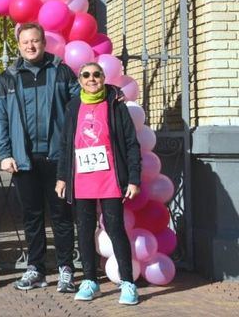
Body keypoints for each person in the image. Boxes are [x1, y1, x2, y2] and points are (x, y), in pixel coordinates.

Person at [0, 22, 79, 292]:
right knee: (32, 216)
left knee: (62, 215)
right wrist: (5, 154)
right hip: (23, 160)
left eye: (36, 41)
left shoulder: (62, 71)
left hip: (57, 158)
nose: (31, 46)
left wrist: (112, 93)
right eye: (26, 42)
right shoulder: (8, 77)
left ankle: (66, 269)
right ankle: (36, 269)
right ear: (19, 45)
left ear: (44, 43)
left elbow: (83, 99)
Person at [55, 62, 142, 305]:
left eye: (96, 74)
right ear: (80, 81)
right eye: (86, 75)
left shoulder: (115, 105)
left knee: (115, 229)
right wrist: (62, 176)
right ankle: (90, 281)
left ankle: (127, 283)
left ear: (103, 78)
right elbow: (65, 145)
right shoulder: (73, 106)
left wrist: (134, 178)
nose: (91, 79)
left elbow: (131, 144)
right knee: (84, 230)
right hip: (81, 179)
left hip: (110, 178)